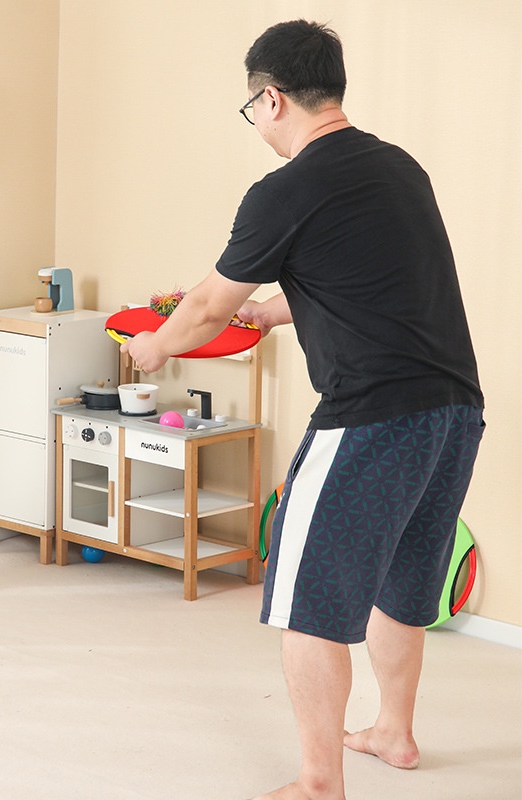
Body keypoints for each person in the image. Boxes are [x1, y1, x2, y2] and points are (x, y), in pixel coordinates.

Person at [121, 19, 484, 800]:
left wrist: (155, 350)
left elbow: (210, 305)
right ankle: (393, 731)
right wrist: (280, 314)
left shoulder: (284, 189)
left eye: (251, 107)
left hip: (369, 416)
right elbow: (373, 281)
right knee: (401, 584)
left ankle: (319, 781)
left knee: (305, 598)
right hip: (453, 410)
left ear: (272, 97)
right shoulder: (397, 169)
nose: (254, 121)